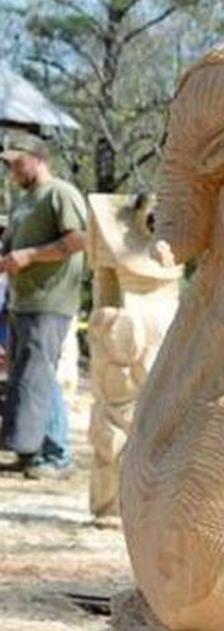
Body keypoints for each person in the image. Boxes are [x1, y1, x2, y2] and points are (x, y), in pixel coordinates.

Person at [0, 131, 88, 480]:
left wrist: (30, 256)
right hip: (23, 301)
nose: (13, 171)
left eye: (17, 163)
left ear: (37, 158)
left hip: (50, 300)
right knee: (26, 378)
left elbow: (81, 238)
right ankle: (33, 451)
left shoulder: (60, 193)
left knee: (41, 376)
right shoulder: (26, 200)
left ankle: (58, 453)